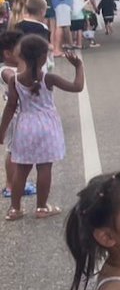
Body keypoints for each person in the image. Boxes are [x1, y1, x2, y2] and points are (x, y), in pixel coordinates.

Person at [1, 35, 85, 220]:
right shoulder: (49, 78)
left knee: (21, 169)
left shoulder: (14, 80)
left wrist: (1, 132)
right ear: (43, 58)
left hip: (25, 127)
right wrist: (78, 66)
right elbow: (77, 87)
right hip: (47, 127)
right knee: (44, 168)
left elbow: (10, 106)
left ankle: (14, 209)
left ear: (21, 56)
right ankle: (41, 208)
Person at [1, 30, 35, 200]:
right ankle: (10, 184)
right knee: (13, 150)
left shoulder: (22, 67)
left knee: (22, 151)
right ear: (8, 53)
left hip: (27, 115)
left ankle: (18, 181)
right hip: (16, 117)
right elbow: (16, 80)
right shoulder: (6, 70)